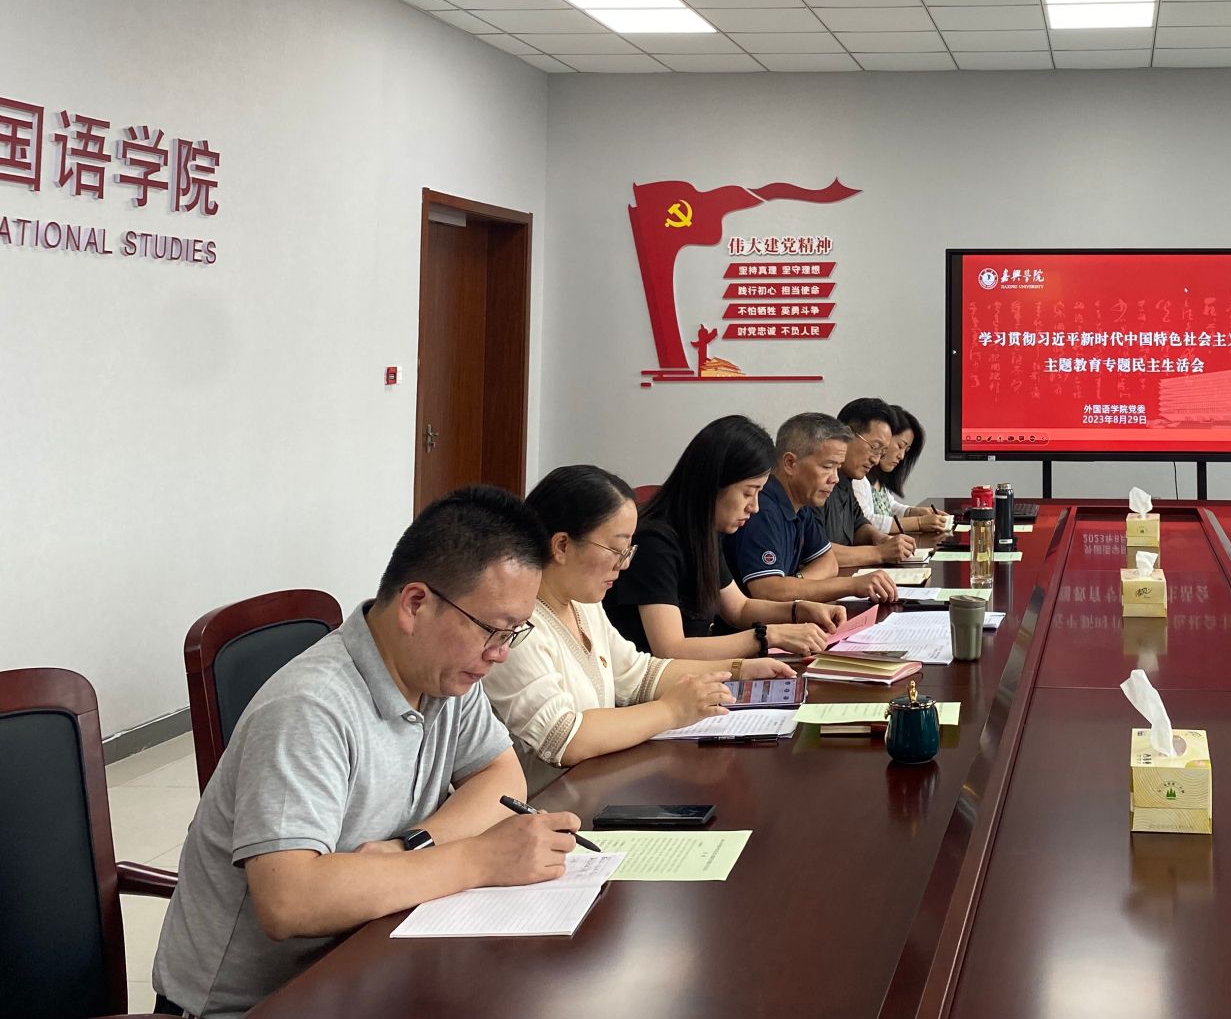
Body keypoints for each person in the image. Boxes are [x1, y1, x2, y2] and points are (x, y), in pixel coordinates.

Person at [153, 488, 586, 1019]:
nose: (499, 654)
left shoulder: (445, 674)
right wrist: (480, 858)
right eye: (492, 630)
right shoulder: (310, 706)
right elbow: (289, 899)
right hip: (258, 1003)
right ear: (415, 604)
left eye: (512, 633)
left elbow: (500, 776)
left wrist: (414, 845)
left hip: (366, 959)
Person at [483, 465, 770, 789]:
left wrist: (739, 670)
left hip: (596, 785)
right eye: (616, 550)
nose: (624, 564)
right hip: (547, 800)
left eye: (628, 550)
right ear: (561, 545)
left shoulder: (583, 603)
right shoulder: (514, 627)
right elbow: (563, 737)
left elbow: (638, 675)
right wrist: (671, 711)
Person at [604, 414, 848, 661]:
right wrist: (769, 636)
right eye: (748, 493)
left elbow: (739, 608)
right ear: (713, 484)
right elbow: (671, 649)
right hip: (658, 680)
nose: (754, 507)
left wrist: (799, 610)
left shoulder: (704, 531)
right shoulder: (655, 542)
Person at [724, 411, 901, 603]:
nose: (835, 479)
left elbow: (829, 562)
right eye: (827, 467)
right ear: (790, 463)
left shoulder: (801, 504)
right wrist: (851, 585)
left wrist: (795, 583)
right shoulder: (762, 508)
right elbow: (768, 591)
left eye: (838, 468)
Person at [818, 397, 918, 562]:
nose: (876, 460)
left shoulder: (847, 479)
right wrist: (879, 553)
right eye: (874, 447)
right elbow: (815, 550)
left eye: (882, 452)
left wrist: (880, 539)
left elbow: (859, 524)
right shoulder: (818, 482)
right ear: (847, 434)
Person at [870, 404, 947, 533]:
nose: (901, 456)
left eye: (906, 451)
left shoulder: (879, 478)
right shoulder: (859, 478)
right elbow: (866, 521)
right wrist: (919, 523)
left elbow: (889, 506)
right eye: (900, 446)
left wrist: (911, 512)